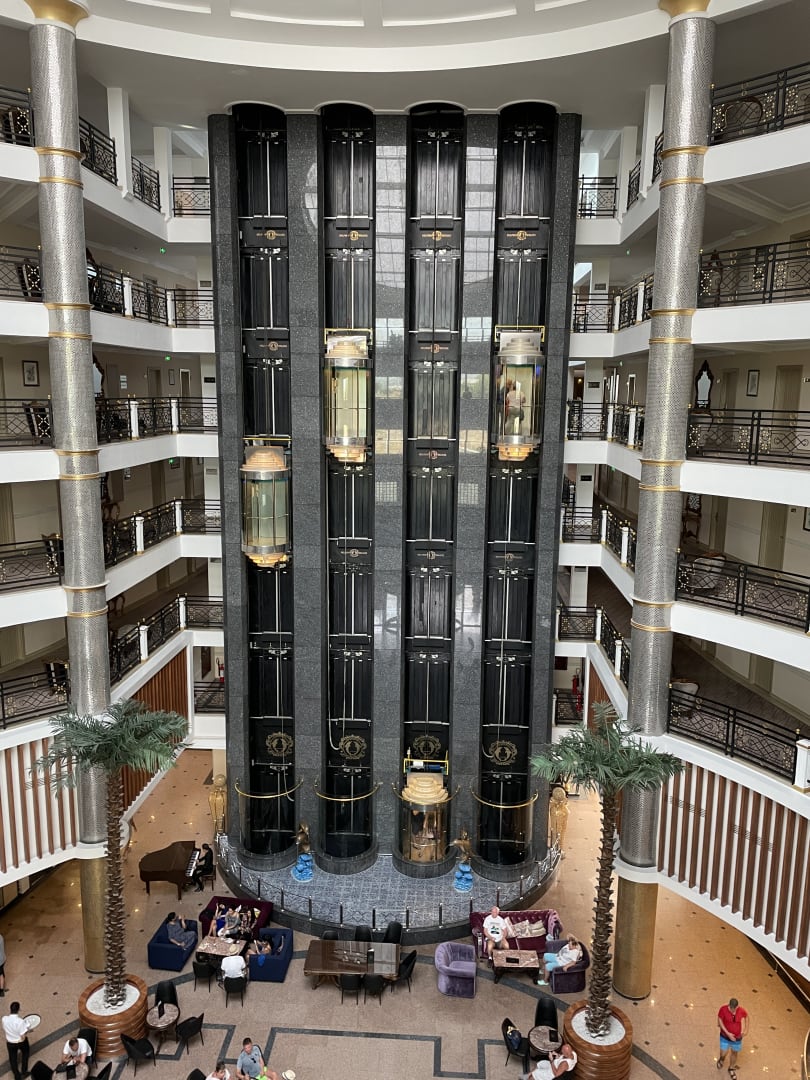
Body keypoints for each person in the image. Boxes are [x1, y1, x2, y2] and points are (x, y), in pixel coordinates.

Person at [717, 997, 749, 1077]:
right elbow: (720, 1020)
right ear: (729, 1005)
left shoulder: (741, 1010)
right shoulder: (723, 1009)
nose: (732, 1010)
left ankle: (731, 1068)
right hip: (725, 1036)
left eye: (734, 1009)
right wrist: (728, 1034)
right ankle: (721, 1059)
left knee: (734, 1052)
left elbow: (747, 1017)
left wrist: (746, 1029)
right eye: (731, 1008)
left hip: (737, 1038)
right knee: (723, 1053)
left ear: (737, 1007)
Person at [2, 1001, 32, 1080]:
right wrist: (27, 1030)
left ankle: (17, 1076)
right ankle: (24, 1072)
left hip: (10, 1043)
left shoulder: (4, 1019)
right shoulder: (20, 1022)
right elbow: (23, 1037)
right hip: (20, 1042)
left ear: (10, 1009)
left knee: (12, 1059)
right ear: (19, 1010)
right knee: (25, 1054)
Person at [0, 931, 5, 997]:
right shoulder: (1, 937)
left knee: (1, 975)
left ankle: (1, 990)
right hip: (2, 959)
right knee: (1, 974)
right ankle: (1, 990)